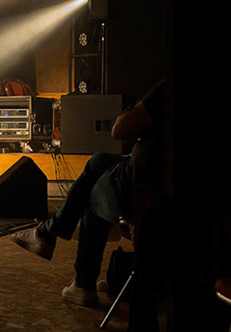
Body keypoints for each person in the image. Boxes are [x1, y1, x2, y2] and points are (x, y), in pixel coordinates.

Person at [15, 83, 167, 306]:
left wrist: (129, 113)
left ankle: (81, 282)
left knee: (90, 192)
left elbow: (120, 130)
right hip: (175, 186)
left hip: (146, 190)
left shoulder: (170, 87)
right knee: (98, 161)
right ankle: (46, 234)